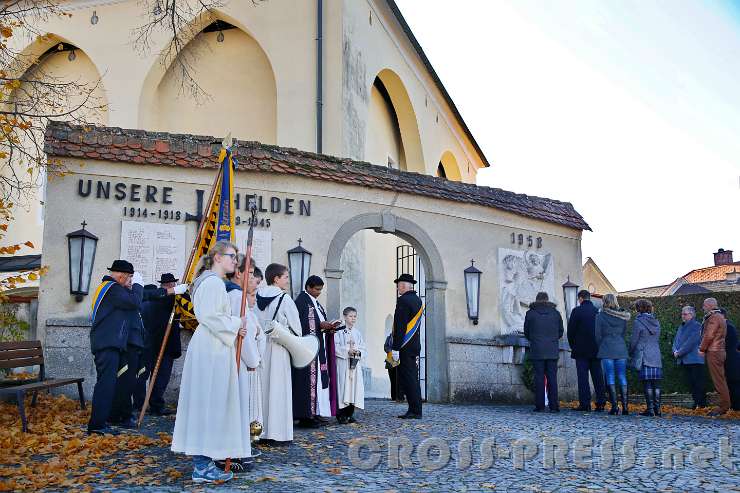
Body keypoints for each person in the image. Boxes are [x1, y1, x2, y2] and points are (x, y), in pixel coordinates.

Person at [171, 241, 250, 484]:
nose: (235, 262)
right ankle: (202, 467)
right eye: (231, 257)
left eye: (236, 258)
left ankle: (205, 462)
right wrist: (237, 323)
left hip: (213, 346)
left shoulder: (210, 282)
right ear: (216, 257)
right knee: (209, 404)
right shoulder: (213, 282)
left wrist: (235, 327)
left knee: (209, 404)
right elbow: (211, 317)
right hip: (212, 349)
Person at [87, 260, 144, 435]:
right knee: (105, 384)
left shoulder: (111, 288)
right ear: (121, 276)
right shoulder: (112, 288)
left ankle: (104, 420)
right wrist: (139, 287)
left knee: (110, 383)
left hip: (109, 343)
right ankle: (96, 425)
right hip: (107, 344)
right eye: (129, 279)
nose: (130, 283)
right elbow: (134, 302)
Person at [255, 263, 301, 443]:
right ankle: (278, 433)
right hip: (279, 347)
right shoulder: (285, 299)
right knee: (278, 389)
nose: (287, 281)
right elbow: (296, 328)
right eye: (285, 277)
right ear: (276, 279)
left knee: (262, 389)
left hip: (260, 347)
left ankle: (259, 431)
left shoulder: (256, 296)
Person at [133, 273, 188, 416]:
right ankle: (150, 405)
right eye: (173, 285)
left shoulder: (159, 298)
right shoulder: (167, 299)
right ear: (170, 286)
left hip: (156, 345)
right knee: (153, 376)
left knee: (150, 376)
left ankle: (142, 404)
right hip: (155, 344)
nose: (174, 287)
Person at [292, 275, 339, 428]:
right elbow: (302, 324)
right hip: (307, 349)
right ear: (309, 287)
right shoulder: (302, 302)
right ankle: (306, 415)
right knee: (307, 382)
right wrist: (321, 325)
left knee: (318, 381)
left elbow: (317, 323)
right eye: (317, 289)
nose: (319, 292)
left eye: (320, 290)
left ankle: (315, 411)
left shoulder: (315, 303)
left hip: (317, 347)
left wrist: (328, 327)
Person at [390, 274, 424, 419]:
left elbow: (400, 326)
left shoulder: (403, 300)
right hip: (414, 346)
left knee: (408, 379)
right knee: (413, 379)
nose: (397, 287)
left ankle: (414, 411)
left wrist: (396, 347)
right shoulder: (417, 300)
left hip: (404, 346)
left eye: (398, 285)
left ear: (404, 285)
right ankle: (416, 409)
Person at [523, 292, 564, 413]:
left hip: (537, 349)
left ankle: (540, 405)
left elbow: (526, 332)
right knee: (552, 378)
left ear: (537, 300)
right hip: (552, 350)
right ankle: (554, 406)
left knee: (539, 378)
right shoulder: (555, 313)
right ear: (547, 300)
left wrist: (535, 339)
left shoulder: (530, 313)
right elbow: (560, 331)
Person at [567, 290, 606, 412]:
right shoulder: (597, 311)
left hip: (581, 350)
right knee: (598, 376)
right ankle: (601, 402)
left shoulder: (576, 311)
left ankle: (585, 403)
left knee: (583, 378)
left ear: (580, 298)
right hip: (596, 349)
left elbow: (571, 331)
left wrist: (573, 346)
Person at [594, 294, 631, 415]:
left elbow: (597, 335)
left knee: (609, 376)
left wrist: (602, 346)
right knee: (622, 376)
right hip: (620, 347)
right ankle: (625, 407)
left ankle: (615, 406)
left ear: (604, 301)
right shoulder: (622, 316)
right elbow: (624, 333)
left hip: (606, 347)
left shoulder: (600, 316)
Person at [629, 299, 663, 417]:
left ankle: (650, 409)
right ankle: (658, 410)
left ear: (639, 308)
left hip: (644, 354)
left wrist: (631, 351)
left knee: (647, 383)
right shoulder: (656, 322)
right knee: (656, 383)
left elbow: (634, 340)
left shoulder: (638, 322)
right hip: (656, 353)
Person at [698, 298, 730, 416]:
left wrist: (702, 349)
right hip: (718, 350)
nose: (703, 307)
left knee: (718, 380)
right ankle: (724, 405)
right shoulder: (718, 316)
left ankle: (723, 407)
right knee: (720, 379)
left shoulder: (714, 317)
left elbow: (709, 335)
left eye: (704, 305)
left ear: (710, 305)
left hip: (714, 351)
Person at [335, 307, 366, 423]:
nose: (353, 319)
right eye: (350, 316)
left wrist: (359, 352)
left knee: (354, 388)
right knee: (343, 387)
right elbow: (335, 347)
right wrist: (347, 350)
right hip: (343, 363)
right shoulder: (339, 331)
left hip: (355, 364)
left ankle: (350, 413)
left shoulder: (357, 333)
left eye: (355, 316)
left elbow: (363, 347)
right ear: (344, 316)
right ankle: (341, 414)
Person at [672, 306, 706, 409]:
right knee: (691, 383)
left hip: (695, 359)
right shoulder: (681, 326)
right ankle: (696, 402)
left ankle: (701, 404)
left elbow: (691, 342)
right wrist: (674, 351)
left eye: (685, 314)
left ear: (691, 315)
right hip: (685, 360)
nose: (683, 316)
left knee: (698, 383)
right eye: (682, 313)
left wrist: (679, 352)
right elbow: (676, 341)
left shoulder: (697, 326)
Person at [721, 309, 740, 411]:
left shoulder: (728, 327)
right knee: (731, 383)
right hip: (729, 359)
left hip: (732, 360)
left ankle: (736, 407)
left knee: (734, 383)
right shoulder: (726, 326)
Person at [384, 330, 403, 402]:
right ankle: (393, 396)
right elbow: (385, 347)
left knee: (398, 379)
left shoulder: (401, 337)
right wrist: (390, 351)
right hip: (390, 360)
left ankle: (399, 396)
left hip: (398, 361)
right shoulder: (389, 338)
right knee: (392, 379)